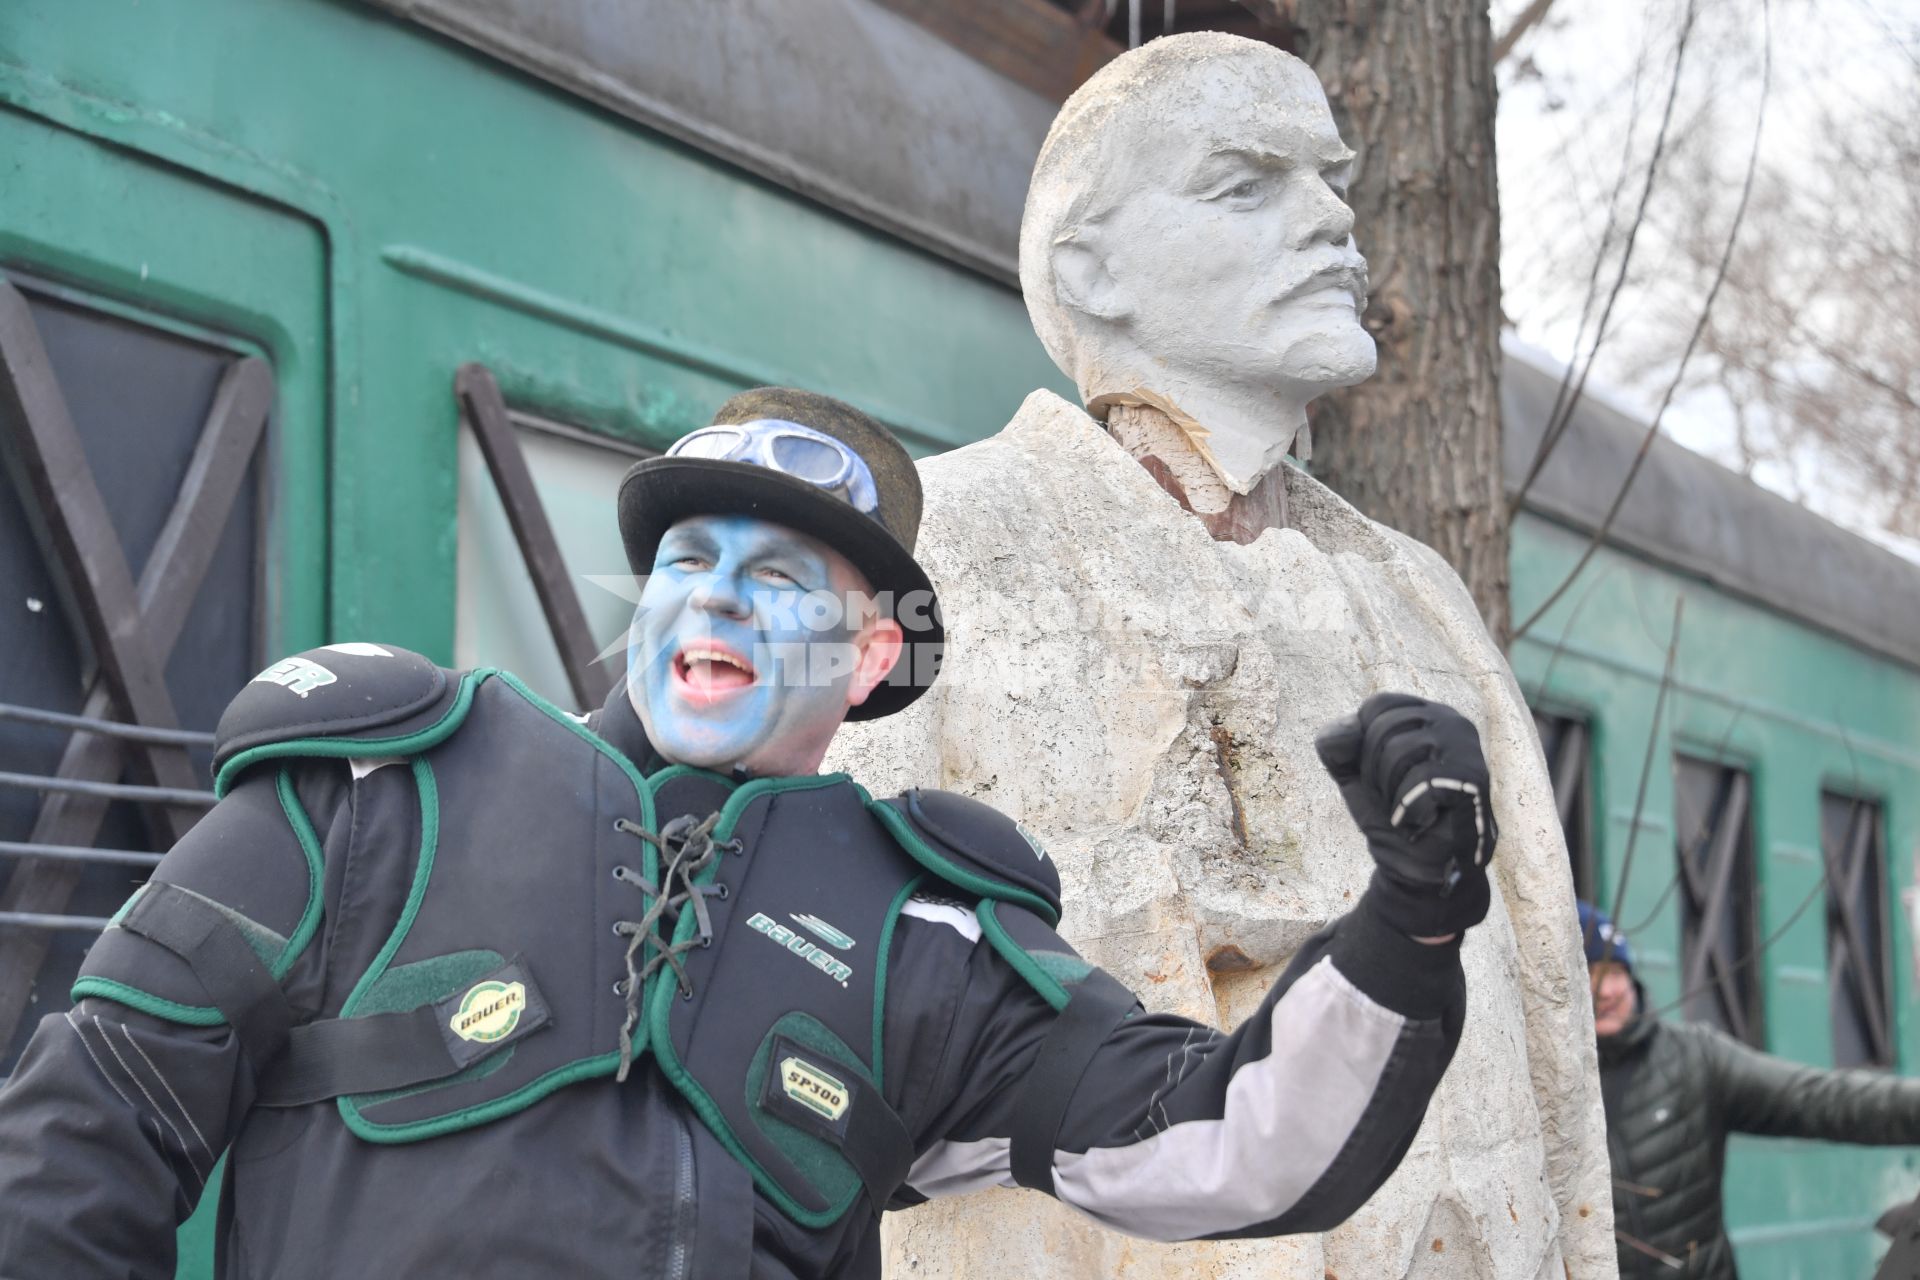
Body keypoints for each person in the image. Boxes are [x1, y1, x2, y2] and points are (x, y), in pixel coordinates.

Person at [0, 388, 1498, 1279]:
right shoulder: (373, 794)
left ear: (865, 665)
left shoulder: (934, 937)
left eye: (781, 579)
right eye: (687, 561)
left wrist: (1409, 921)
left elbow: (1233, 1146)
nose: (713, 597)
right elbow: (90, 1125)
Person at [832, 31, 1609, 1279]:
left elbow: (1553, 1024)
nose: (1333, 225)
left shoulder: (1418, 594)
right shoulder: (934, 553)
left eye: (1333, 181)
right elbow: (841, 1001)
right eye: (1247, 185)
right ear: (1090, 267)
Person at [1582, 901, 1920, 1278]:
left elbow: (1819, 1098)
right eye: (1590, 973)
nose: (1607, 990)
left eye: (1615, 972)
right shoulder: (1542, 1091)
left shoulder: (1691, 1058)